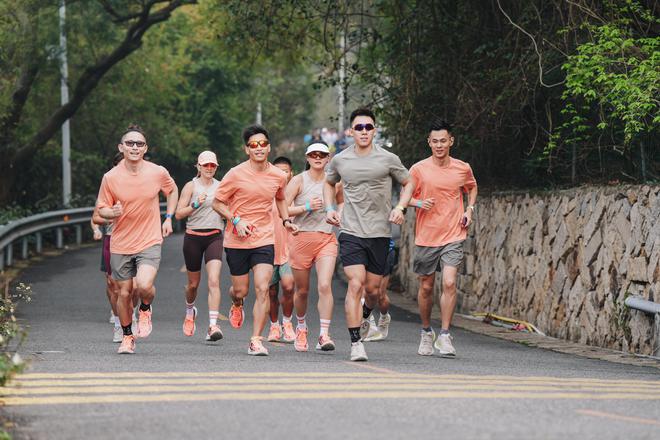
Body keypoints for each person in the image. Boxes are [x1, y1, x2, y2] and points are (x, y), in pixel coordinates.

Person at [324, 108, 414, 361]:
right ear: (351, 131)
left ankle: (365, 316)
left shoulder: (388, 159)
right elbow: (328, 183)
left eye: (368, 127)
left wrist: (400, 207)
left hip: (379, 233)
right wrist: (330, 208)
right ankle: (355, 344)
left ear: (374, 130)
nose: (364, 131)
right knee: (356, 283)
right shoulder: (340, 160)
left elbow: (409, 183)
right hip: (351, 231)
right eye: (359, 127)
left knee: (373, 291)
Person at [213, 125, 299, 356]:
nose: (259, 148)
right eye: (253, 145)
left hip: (264, 239)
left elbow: (280, 198)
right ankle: (237, 303)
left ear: (269, 147)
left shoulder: (278, 176)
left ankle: (255, 340)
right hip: (237, 240)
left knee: (263, 288)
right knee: (241, 290)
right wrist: (236, 220)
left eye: (262, 144)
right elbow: (217, 203)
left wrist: (286, 220)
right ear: (246, 149)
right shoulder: (235, 174)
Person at [97, 124, 178, 354]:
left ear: (145, 148)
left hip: (149, 240)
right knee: (123, 293)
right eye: (130, 143)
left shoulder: (157, 172)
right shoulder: (110, 177)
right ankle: (127, 336)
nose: (134, 147)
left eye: (139, 143)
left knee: (143, 285)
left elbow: (172, 191)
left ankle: (145, 308)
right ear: (121, 147)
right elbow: (101, 208)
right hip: (121, 243)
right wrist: (109, 213)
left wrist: (168, 217)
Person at [408, 119, 477, 357]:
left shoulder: (462, 168)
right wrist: (418, 202)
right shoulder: (418, 169)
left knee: (449, 282)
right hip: (427, 236)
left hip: (453, 234)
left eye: (443, 141)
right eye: (435, 141)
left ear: (451, 141)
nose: (439, 145)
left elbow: (472, 187)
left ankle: (445, 335)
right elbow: (404, 197)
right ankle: (426, 332)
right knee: (426, 287)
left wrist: (469, 209)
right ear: (429, 142)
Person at [285, 142, 344, 352]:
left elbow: (342, 202)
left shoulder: (335, 182)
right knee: (302, 291)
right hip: (301, 239)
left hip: (326, 239)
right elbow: (282, 208)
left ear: (328, 158)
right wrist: (306, 207)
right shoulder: (298, 180)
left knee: (325, 285)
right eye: (313, 154)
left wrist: (339, 216)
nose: (318, 157)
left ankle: (324, 335)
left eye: (322, 155)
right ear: (307, 158)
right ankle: (301, 327)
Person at [175, 151, 225, 342]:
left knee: (213, 280)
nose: (209, 169)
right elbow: (179, 214)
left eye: (212, 165)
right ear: (198, 167)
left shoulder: (221, 187)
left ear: (216, 167)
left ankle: (213, 325)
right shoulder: (190, 186)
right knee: (193, 285)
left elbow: (227, 208)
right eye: (205, 165)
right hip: (193, 237)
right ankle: (190, 310)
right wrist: (195, 204)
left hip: (214, 236)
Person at [266, 156, 296, 344]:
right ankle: (274, 326)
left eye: (285, 170)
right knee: (271, 292)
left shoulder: (296, 192)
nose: (282, 174)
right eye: (278, 170)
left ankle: (287, 323)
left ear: (291, 173)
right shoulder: (266, 193)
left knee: (289, 286)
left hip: (290, 250)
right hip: (268, 248)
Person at [363, 238, 395, 342]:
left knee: (380, 295)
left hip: (384, 250)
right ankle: (369, 326)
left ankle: (384, 317)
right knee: (362, 289)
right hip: (362, 250)